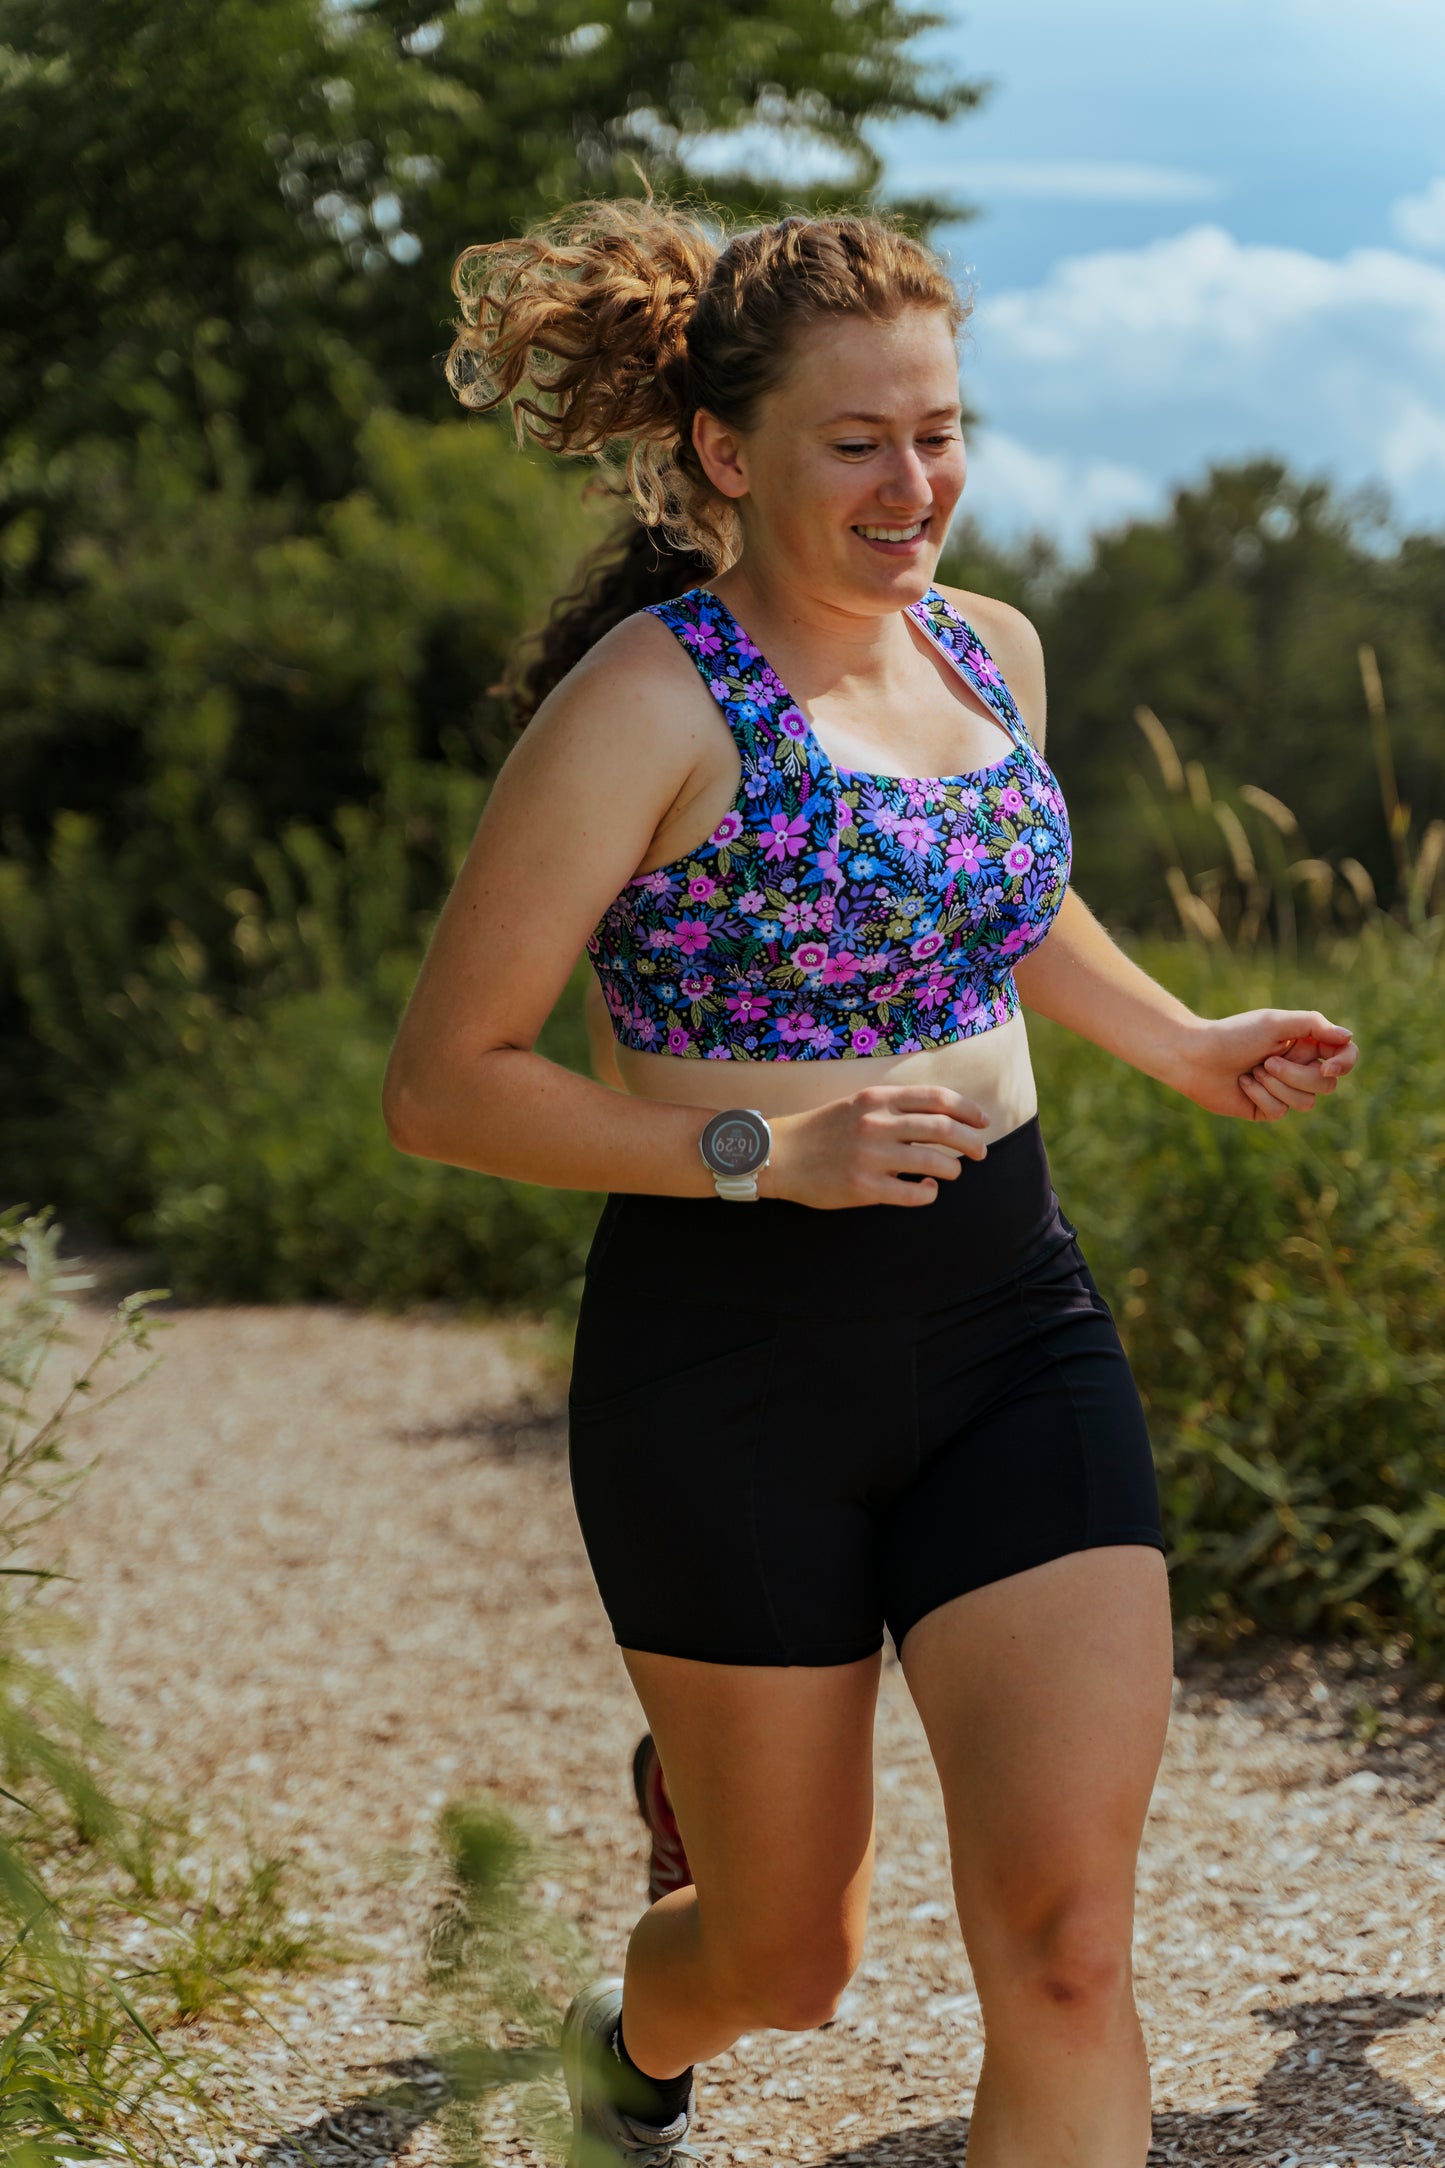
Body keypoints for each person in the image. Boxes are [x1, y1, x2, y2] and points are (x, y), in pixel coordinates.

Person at [383, 199, 1359, 2168]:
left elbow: (1000, 900)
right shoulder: (645, 708)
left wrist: (1171, 1038)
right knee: (785, 1958)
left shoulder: (986, 653)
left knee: (1074, 1944)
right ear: (728, 458)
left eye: (943, 429)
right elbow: (443, 1087)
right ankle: (633, 2020)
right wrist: (761, 1151)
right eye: (858, 443)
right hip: (732, 1368)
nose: (918, 486)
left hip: (1014, 1324)